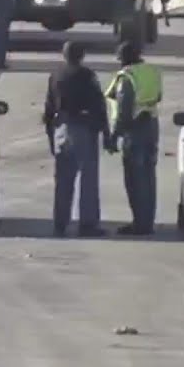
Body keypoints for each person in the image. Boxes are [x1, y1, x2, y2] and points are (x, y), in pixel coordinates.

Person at [42, 41, 111, 238]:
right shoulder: (88, 76)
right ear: (82, 56)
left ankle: (60, 224)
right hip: (84, 128)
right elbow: (99, 105)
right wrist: (105, 133)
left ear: (64, 55)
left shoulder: (55, 76)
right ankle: (87, 224)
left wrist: (50, 136)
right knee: (88, 179)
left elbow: (48, 109)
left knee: (63, 180)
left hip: (61, 129)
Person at [105, 40, 163, 236]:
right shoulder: (151, 72)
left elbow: (123, 111)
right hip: (151, 126)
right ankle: (147, 222)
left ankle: (139, 224)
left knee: (134, 179)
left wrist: (114, 137)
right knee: (148, 177)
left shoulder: (127, 78)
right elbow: (158, 96)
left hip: (134, 130)